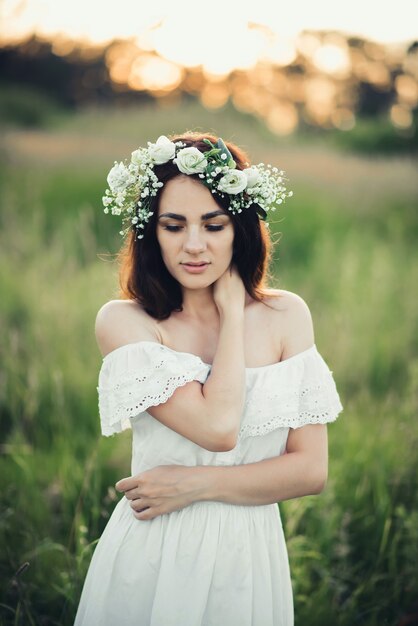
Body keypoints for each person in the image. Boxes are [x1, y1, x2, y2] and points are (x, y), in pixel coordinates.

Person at [74, 132, 343, 626]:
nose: (194, 245)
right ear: (150, 232)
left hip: (249, 559)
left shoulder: (287, 315)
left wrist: (194, 485)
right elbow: (219, 428)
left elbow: (310, 471)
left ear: (239, 229)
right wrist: (233, 322)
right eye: (173, 226)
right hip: (155, 553)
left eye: (213, 225)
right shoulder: (127, 322)